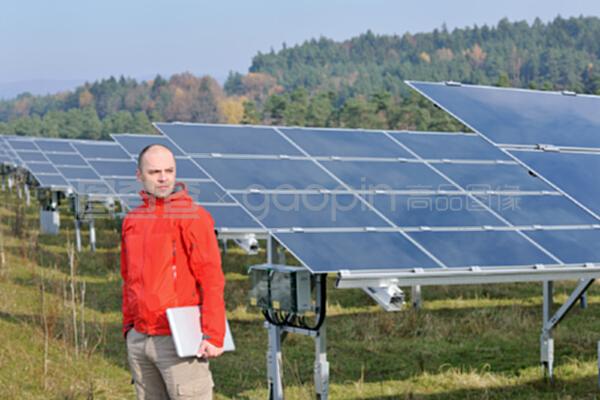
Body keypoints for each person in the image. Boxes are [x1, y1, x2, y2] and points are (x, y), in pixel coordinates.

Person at [121, 144, 225, 399]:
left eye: (169, 170)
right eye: (155, 171)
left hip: (178, 339)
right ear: (140, 175)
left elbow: (212, 278)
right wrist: (129, 327)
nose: (164, 177)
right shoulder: (133, 220)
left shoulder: (193, 217)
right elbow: (128, 277)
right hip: (140, 338)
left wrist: (214, 333)